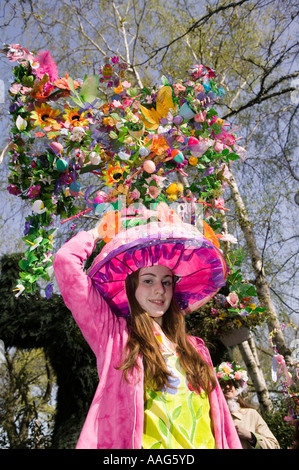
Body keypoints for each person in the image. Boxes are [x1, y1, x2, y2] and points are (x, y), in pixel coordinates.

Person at [53, 210, 242, 449]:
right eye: (148, 280)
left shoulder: (195, 349)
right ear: (132, 287)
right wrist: (96, 232)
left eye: (166, 282)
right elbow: (65, 261)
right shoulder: (114, 336)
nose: (159, 290)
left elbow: (223, 426)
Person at [216, 361, 280, 449]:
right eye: (222, 384)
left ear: (235, 387)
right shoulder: (212, 417)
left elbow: (274, 446)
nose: (227, 387)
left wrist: (251, 436)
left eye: (230, 384)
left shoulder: (250, 414)